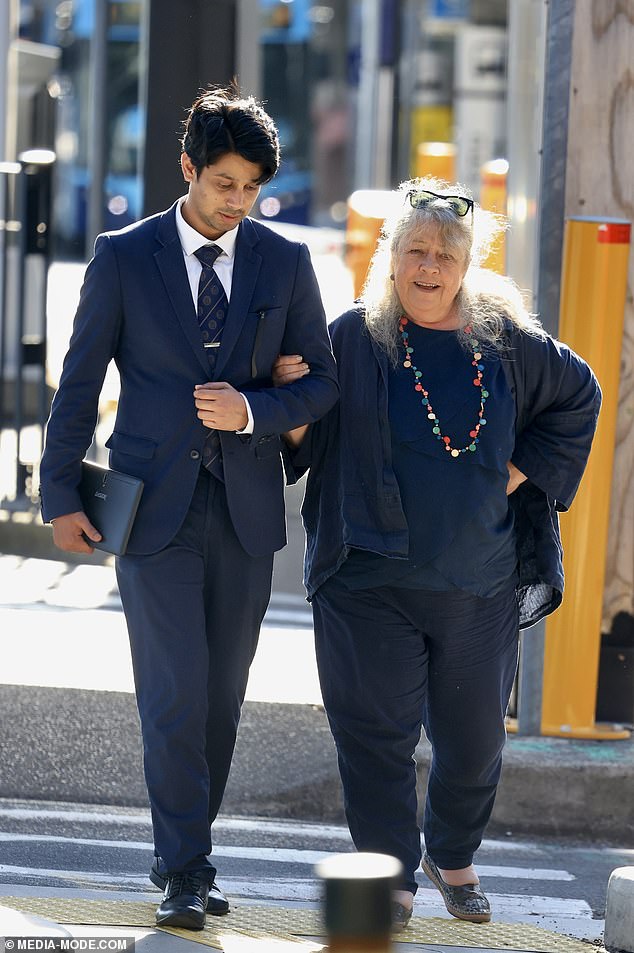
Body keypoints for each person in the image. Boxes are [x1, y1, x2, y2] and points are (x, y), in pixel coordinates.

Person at [39, 85, 338, 931]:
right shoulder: (124, 256)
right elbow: (82, 375)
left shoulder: (283, 261)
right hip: (152, 512)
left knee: (218, 696)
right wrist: (60, 489)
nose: (236, 201)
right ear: (188, 169)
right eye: (223, 183)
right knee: (172, 691)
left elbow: (321, 379)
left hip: (244, 513)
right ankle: (184, 868)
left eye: (250, 188)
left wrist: (253, 409)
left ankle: (188, 853)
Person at [272, 178, 600, 929]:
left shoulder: (507, 341)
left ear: (466, 264)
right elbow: (308, 433)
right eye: (414, 249)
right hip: (367, 579)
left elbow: (579, 396)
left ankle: (450, 852)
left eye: (444, 253)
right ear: (390, 258)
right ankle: (391, 872)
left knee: (476, 739)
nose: (428, 266)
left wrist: (514, 477)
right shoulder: (352, 336)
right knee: (374, 733)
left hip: (477, 582)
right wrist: (291, 415)